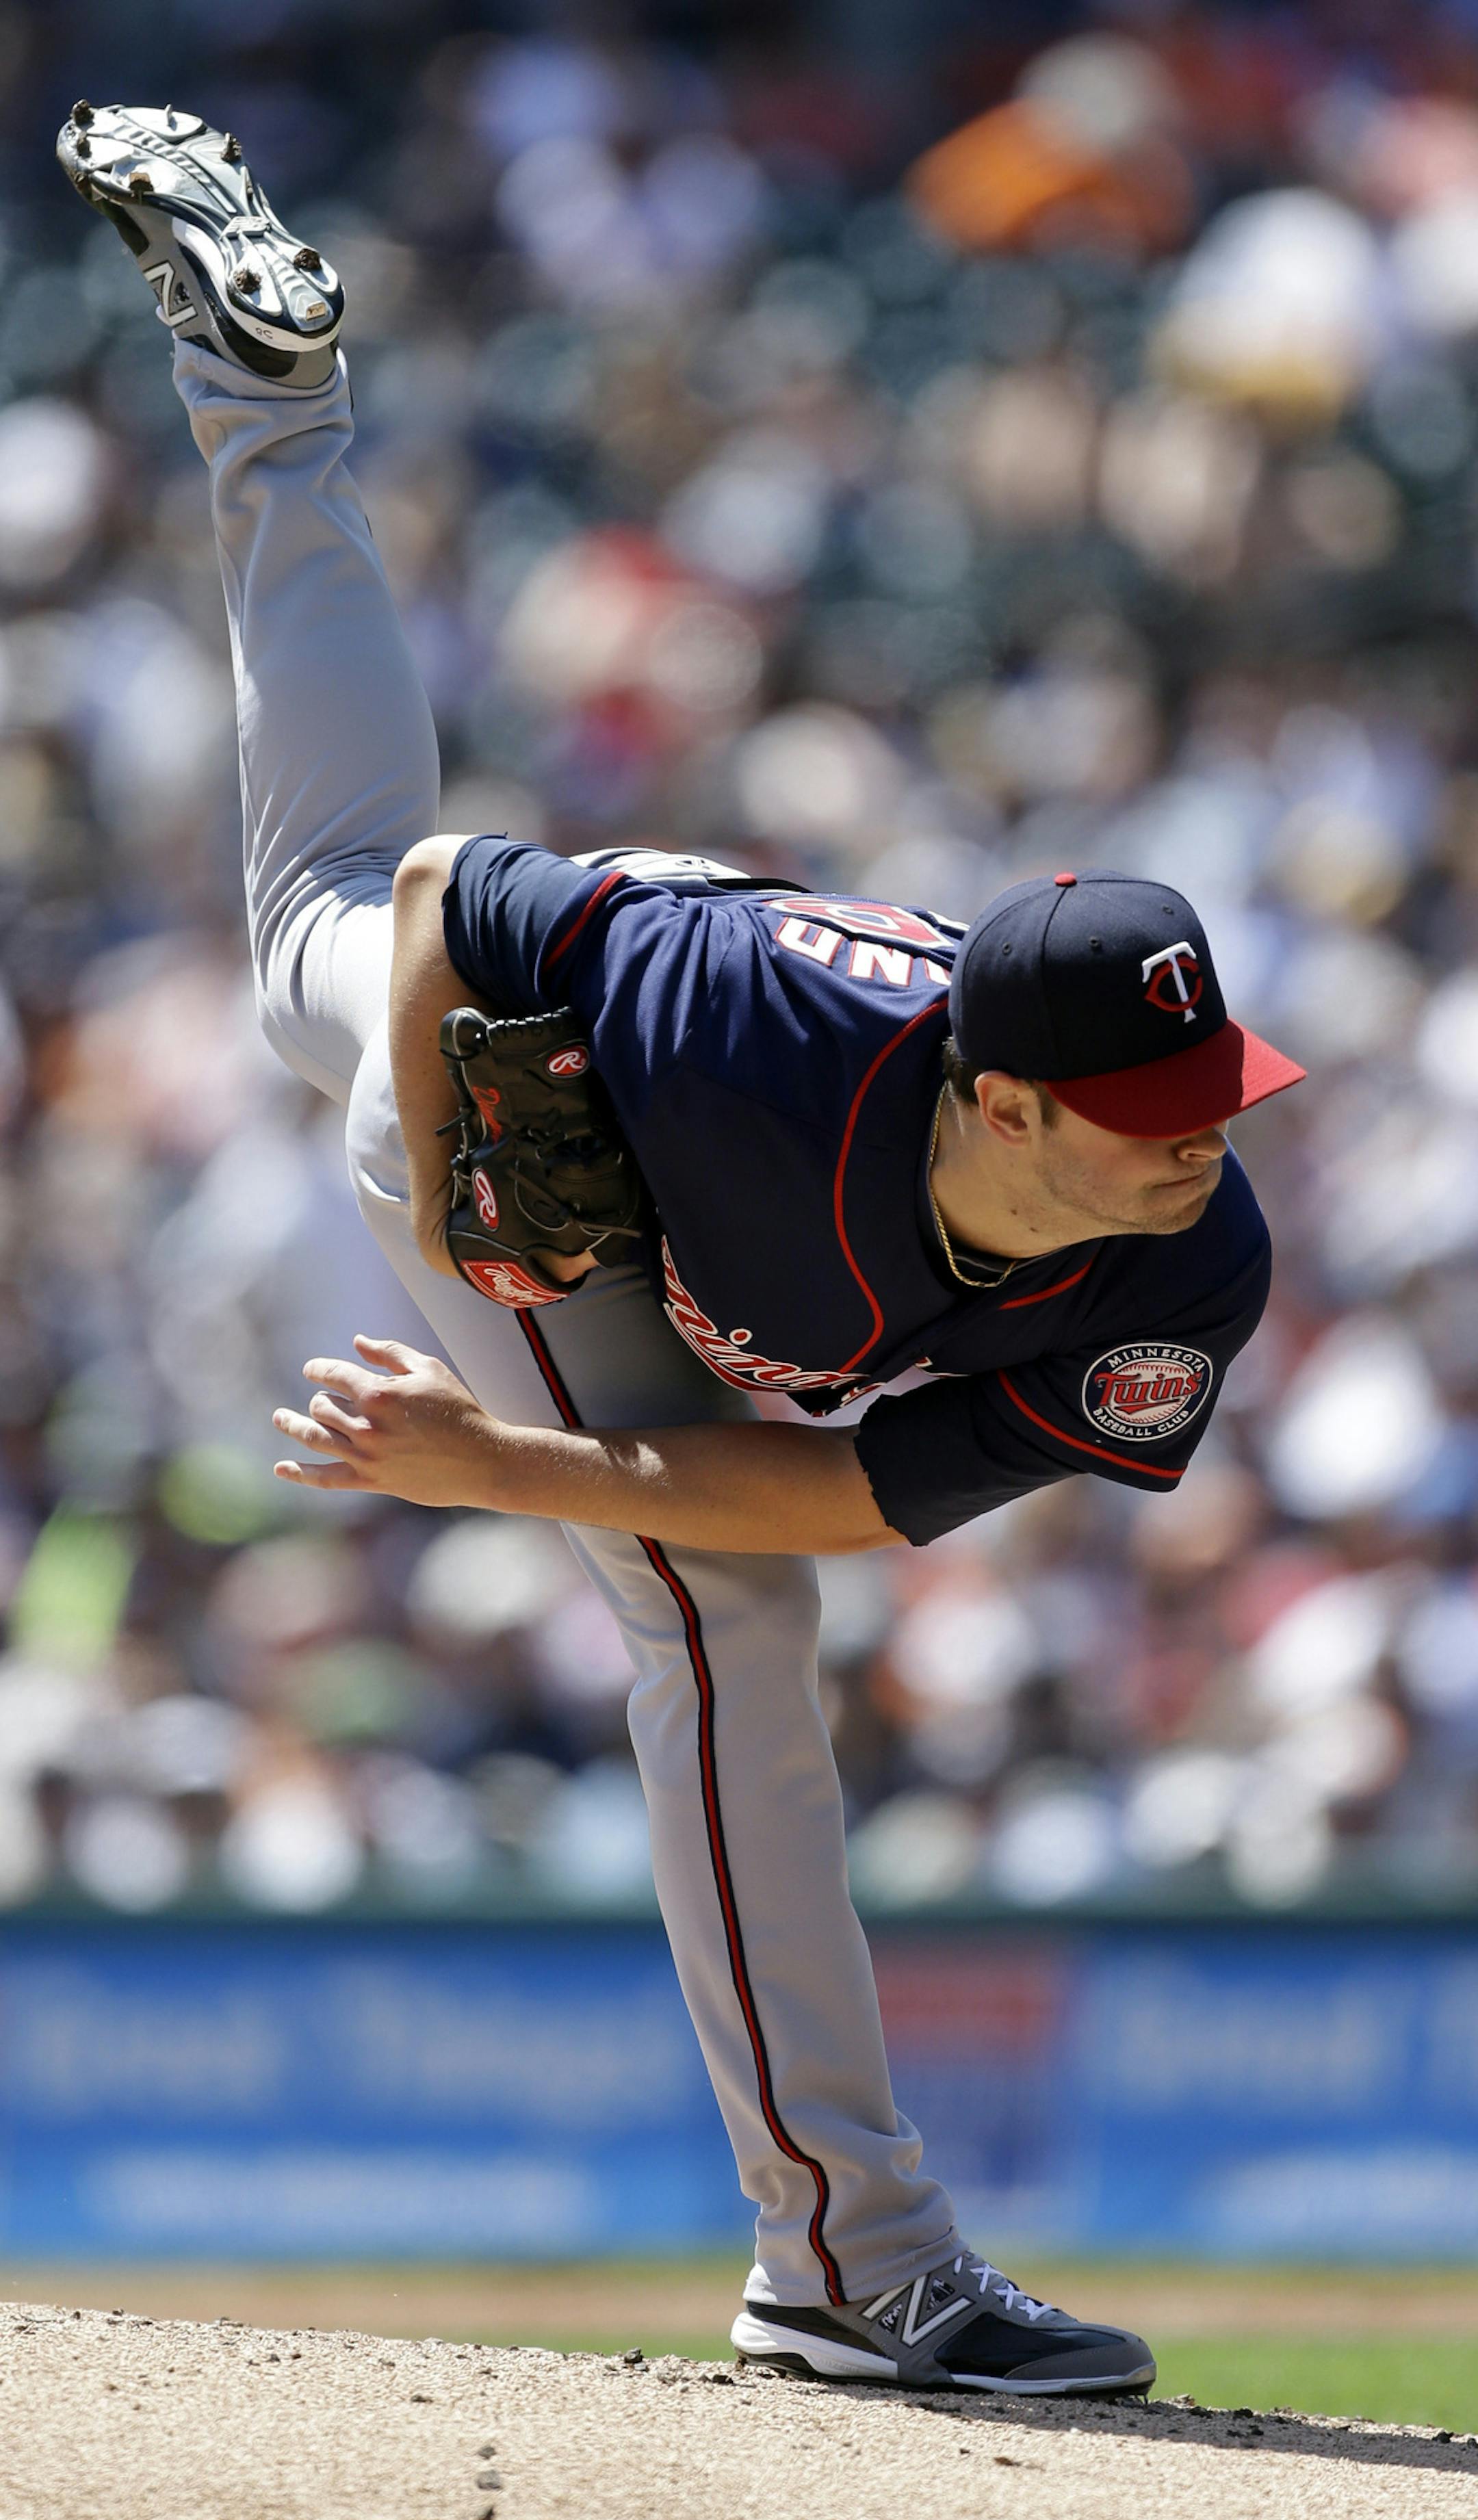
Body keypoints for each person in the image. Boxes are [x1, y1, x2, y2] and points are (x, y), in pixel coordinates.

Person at [60, 101, 1304, 2397]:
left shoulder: (1183, 1263)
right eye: (1144, 1118)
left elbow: (840, 1484)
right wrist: (465, 1202)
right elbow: (468, 905)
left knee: (297, 920)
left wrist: (508, 1474)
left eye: (1209, 1099)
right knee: (723, 1622)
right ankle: (844, 2251)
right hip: (535, 1072)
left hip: (599, 1107)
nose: (1197, 1150)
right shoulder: (771, 1025)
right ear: (999, 1097)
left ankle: (269, 396)